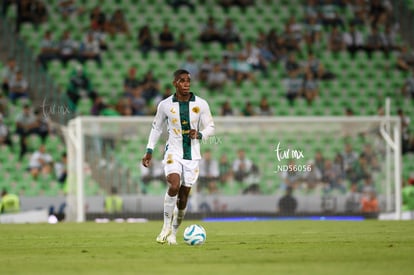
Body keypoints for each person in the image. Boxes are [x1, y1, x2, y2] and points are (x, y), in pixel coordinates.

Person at [141, 69, 215, 245]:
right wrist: (149, 150)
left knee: (183, 197)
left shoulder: (201, 104)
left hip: (192, 156)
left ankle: (173, 233)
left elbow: (211, 126)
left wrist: (200, 135)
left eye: (188, 80)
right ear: (175, 83)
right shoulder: (165, 105)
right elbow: (156, 128)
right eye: (182, 80)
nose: (186, 83)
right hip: (173, 152)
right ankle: (165, 226)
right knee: (174, 184)